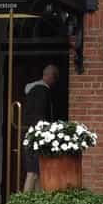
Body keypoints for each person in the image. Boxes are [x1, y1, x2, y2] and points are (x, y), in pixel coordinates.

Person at [21, 64, 59, 192]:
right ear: (49, 76)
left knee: (36, 172)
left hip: (29, 133)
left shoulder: (31, 91)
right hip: (37, 135)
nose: (54, 82)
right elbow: (40, 115)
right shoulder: (43, 92)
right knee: (33, 172)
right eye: (55, 78)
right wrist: (46, 132)